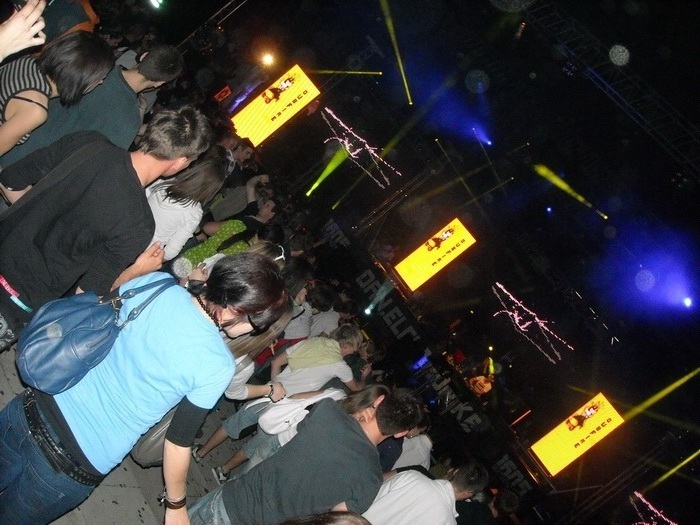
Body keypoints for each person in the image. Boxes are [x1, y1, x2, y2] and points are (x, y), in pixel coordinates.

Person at [0, 252, 292, 523]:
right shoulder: (218, 365)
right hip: (73, 463)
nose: (256, 331)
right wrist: (176, 506)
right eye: (258, 324)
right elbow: (178, 441)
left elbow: (97, 314)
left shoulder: (157, 284)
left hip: (30, 409)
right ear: (237, 310)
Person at [0, 105, 211, 352]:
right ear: (180, 162)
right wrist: (137, 270)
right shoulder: (138, 223)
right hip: (16, 301)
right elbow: (84, 297)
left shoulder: (88, 142)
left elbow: (10, 180)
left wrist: (39, 212)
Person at [188, 387, 426, 525]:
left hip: (233, 499)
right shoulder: (371, 481)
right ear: (401, 433)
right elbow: (333, 517)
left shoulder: (327, 411)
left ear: (379, 400)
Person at [0, 44, 184, 167]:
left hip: (9, 132)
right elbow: (91, 165)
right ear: (160, 83)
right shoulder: (129, 121)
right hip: (28, 172)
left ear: (143, 56)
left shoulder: (92, 66)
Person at [0, 29, 113, 158]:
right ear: (81, 75)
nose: (101, 82)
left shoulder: (28, 61)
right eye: (100, 76)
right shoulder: (35, 109)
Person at [147, 146, 227, 261]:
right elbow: (170, 252)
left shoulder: (167, 180)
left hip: (127, 228)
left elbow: (142, 195)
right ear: (211, 190)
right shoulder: (194, 213)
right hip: (145, 248)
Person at [362, 461, 489, 525]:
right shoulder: (447, 522)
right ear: (469, 493)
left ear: (454, 472)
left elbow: (369, 495)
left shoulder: (412, 476)